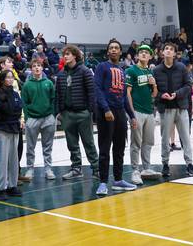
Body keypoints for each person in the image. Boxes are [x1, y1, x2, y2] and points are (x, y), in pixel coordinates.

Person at [94, 39, 137, 196]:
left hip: (120, 113)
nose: (113, 50)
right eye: (111, 48)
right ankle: (103, 182)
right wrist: (105, 109)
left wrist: (131, 116)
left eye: (116, 48)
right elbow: (97, 88)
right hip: (106, 111)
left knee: (119, 147)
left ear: (120, 52)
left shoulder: (122, 70)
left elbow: (125, 96)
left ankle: (118, 180)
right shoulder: (102, 67)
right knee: (105, 148)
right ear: (107, 51)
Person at [152, 43, 193, 178]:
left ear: (175, 53)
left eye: (171, 49)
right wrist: (162, 95)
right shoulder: (157, 70)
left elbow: (188, 86)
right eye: (166, 49)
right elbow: (153, 91)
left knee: (186, 138)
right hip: (165, 109)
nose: (169, 51)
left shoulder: (181, 67)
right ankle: (165, 164)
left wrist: (177, 94)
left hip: (181, 108)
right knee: (165, 139)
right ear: (162, 52)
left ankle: (190, 164)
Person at [55, 45, 98, 180]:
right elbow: (58, 94)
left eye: (68, 54)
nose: (65, 56)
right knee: (72, 143)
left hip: (83, 113)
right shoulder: (61, 74)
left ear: (75, 55)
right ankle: (76, 168)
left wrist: (90, 111)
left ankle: (96, 169)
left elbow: (92, 92)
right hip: (67, 114)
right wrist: (59, 112)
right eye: (64, 54)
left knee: (88, 143)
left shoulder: (85, 71)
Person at [125, 44, 160, 185]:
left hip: (149, 111)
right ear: (137, 55)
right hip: (137, 111)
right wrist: (131, 113)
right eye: (141, 52)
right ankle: (135, 170)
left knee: (148, 142)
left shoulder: (150, 72)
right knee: (136, 143)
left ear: (151, 56)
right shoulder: (131, 70)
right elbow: (127, 93)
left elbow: (154, 94)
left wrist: (155, 84)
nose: (144, 54)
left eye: (147, 52)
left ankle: (146, 168)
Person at [21, 58, 56, 181]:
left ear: (42, 68)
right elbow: (24, 102)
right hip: (32, 119)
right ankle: (30, 169)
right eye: (34, 66)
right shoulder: (27, 85)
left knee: (48, 146)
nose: (37, 68)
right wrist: (27, 117)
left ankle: (48, 169)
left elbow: (53, 99)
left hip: (48, 118)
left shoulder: (49, 83)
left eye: (39, 66)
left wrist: (53, 115)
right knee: (30, 146)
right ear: (31, 69)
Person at [0, 69, 24, 200]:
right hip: (2, 129)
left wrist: (12, 111)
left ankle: (12, 185)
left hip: (14, 128)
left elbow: (18, 109)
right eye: (8, 77)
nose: (11, 80)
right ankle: (1, 188)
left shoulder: (16, 94)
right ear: (2, 79)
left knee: (13, 159)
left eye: (12, 77)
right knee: (2, 159)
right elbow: (3, 109)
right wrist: (11, 110)